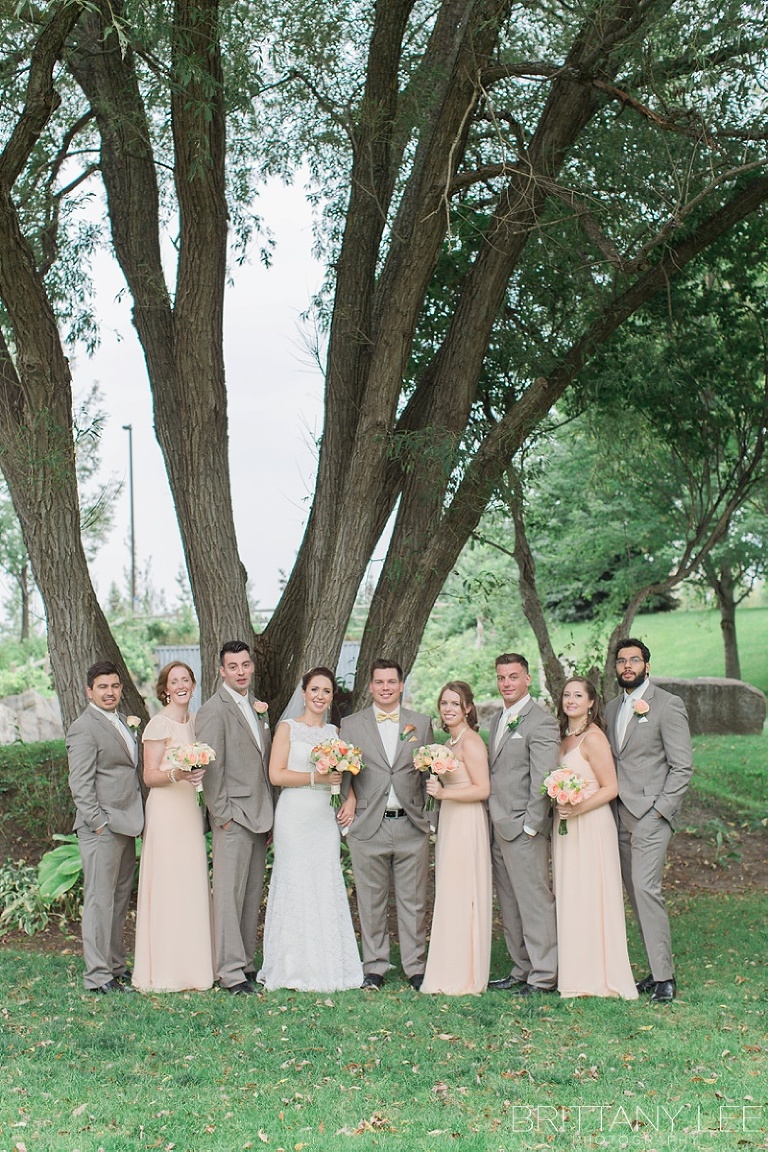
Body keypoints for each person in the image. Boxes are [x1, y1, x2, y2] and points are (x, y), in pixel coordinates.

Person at [258, 667, 363, 991]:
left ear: (331, 697)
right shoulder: (287, 728)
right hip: (294, 815)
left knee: (324, 880)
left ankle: (327, 963)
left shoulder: (334, 732)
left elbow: (346, 774)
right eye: (314, 689)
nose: (320, 696)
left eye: (326, 691)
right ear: (304, 693)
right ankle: (291, 966)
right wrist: (317, 777)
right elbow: (276, 774)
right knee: (295, 882)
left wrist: (351, 799)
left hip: (324, 817)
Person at [605, 638, 693, 1003]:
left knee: (646, 889)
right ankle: (656, 970)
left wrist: (660, 811)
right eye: (621, 661)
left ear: (647, 666)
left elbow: (682, 766)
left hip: (651, 816)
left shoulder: (668, 705)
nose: (627, 666)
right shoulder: (612, 708)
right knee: (635, 895)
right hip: (618, 815)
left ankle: (665, 979)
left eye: (634, 660)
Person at [338, 659, 433, 989]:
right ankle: (374, 967)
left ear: (401, 685)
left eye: (391, 682)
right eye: (379, 682)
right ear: (370, 686)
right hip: (368, 826)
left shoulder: (421, 723)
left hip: (410, 825)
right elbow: (342, 772)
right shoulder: (351, 725)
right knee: (370, 901)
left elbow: (429, 774)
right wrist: (348, 814)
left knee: (414, 902)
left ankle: (415, 966)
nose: (386, 688)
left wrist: (430, 820)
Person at [196, 641, 274, 995]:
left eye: (245, 664)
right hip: (233, 817)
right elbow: (211, 766)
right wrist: (223, 815)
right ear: (221, 671)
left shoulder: (257, 708)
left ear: (251, 666)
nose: (240, 671)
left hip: (259, 815)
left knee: (251, 893)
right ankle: (229, 972)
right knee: (228, 896)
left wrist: (269, 813)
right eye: (233, 666)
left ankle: (245, 963)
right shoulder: (214, 710)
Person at [552, 677, 637, 999]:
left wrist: (578, 808)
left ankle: (600, 976)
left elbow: (611, 787)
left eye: (578, 695)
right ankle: (575, 972)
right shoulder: (564, 738)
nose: (571, 700)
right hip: (566, 826)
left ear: (590, 702)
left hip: (591, 825)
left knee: (591, 894)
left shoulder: (594, 738)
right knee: (571, 895)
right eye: (567, 695)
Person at [132, 662, 214, 992]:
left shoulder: (196, 723)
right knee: (168, 886)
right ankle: (165, 970)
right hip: (166, 811)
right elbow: (149, 775)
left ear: (193, 685)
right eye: (173, 681)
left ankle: (194, 969)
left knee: (190, 884)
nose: (180, 686)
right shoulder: (158, 724)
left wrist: (198, 773)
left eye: (185, 680)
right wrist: (177, 774)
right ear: (165, 689)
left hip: (190, 811)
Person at [66, 660, 144, 993]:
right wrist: (99, 823)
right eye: (102, 687)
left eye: (114, 686)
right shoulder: (84, 727)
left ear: (120, 688)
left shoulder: (122, 722)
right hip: (103, 829)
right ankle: (97, 976)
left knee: (118, 899)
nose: (109, 692)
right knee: (100, 901)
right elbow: (79, 783)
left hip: (126, 824)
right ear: (90, 691)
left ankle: (114, 965)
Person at [487, 652, 559, 996]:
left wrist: (531, 825)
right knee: (511, 903)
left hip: (523, 830)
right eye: (501, 677)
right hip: (498, 826)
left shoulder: (541, 722)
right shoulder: (497, 719)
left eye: (513, 676)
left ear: (527, 679)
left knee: (534, 902)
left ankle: (544, 975)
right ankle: (522, 969)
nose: (507, 683)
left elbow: (543, 777)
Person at [421, 681, 491, 996]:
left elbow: (483, 789)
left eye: (455, 703)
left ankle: (465, 972)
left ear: (468, 708)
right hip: (450, 819)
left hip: (466, 821)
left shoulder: (471, 742)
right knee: (450, 891)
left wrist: (444, 793)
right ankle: (449, 965)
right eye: (444, 703)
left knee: (463, 891)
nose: (449, 709)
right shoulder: (449, 742)